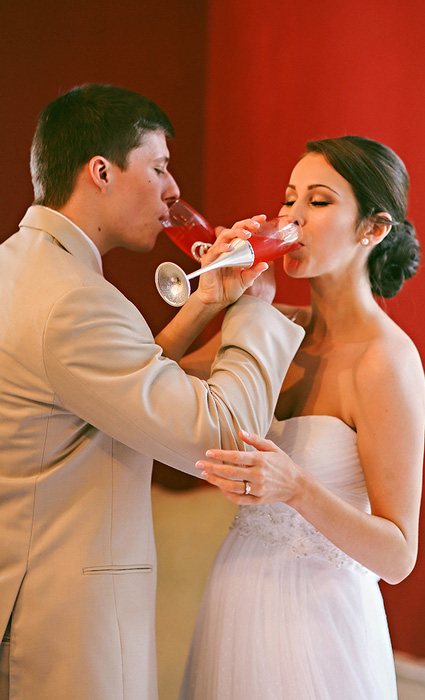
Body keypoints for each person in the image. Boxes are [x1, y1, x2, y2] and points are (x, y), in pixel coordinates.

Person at [0, 84, 305, 700]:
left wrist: (205, 303)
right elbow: (221, 433)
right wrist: (254, 306)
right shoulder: (75, 301)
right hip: (68, 625)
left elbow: (101, 392)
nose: (173, 191)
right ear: (102, 172)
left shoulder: (22, 266)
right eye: (160, 167)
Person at [178, 136, 425, 699]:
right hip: (237, 596)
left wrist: (296, 488)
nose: (290, 217)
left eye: (317, 201)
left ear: (373, 229)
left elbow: (398, 554)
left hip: (320, 621)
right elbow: (144, 382)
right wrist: (211, 299)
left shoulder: (386, 362)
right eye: (288, 199)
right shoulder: (272, 326)